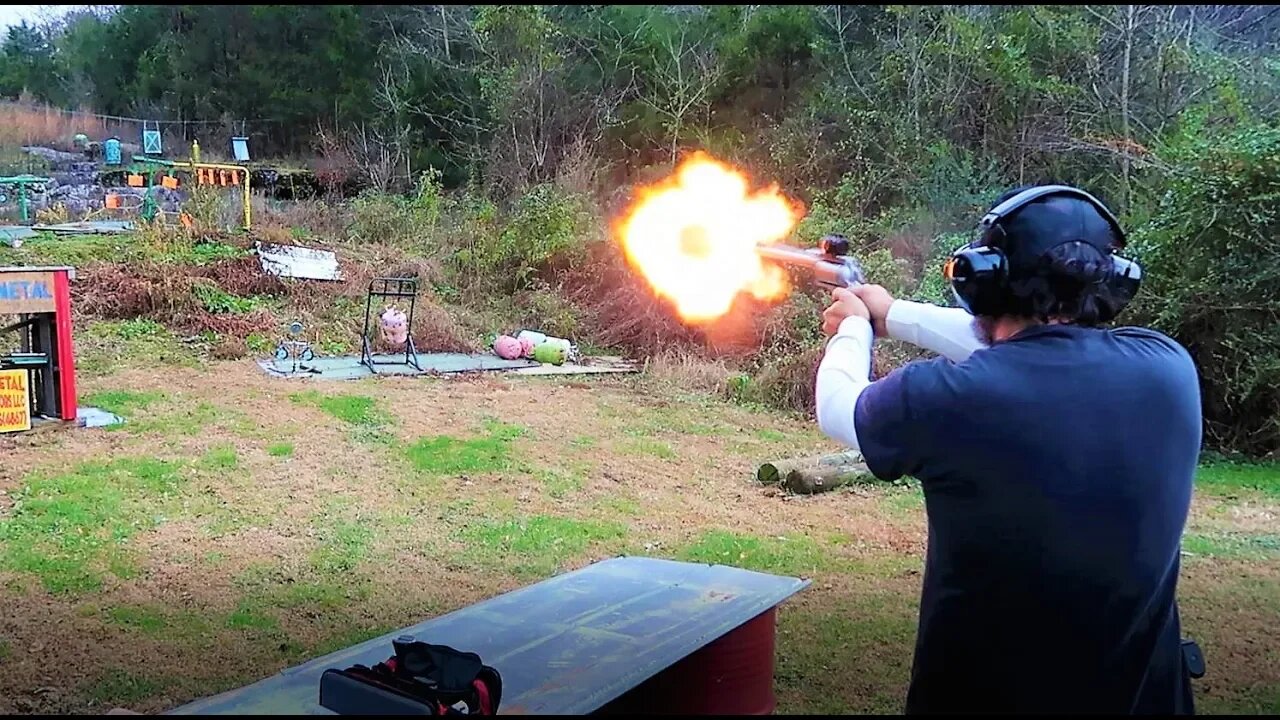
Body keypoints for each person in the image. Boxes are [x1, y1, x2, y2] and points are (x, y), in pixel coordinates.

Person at [813, 185, 1203, 714]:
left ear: (984, 279)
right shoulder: (1168, 368)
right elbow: (1038, 353)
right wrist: (892, 312)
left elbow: (838, 405)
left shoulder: (950, 397)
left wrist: (853, 329)